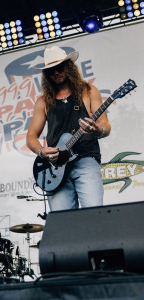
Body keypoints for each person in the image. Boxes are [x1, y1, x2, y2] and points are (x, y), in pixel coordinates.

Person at [26, 46, 111, 211]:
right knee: (64, 223)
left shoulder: (88, 91)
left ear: (69, 67)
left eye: (60, 67)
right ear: (46, 74)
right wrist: (41, 151)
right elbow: (30, 136)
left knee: (94, 215)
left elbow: (105, 125)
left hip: (86, 160)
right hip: (56, 168)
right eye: (51, 70)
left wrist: (97, 130)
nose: (56, 72)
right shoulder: (43, 101)